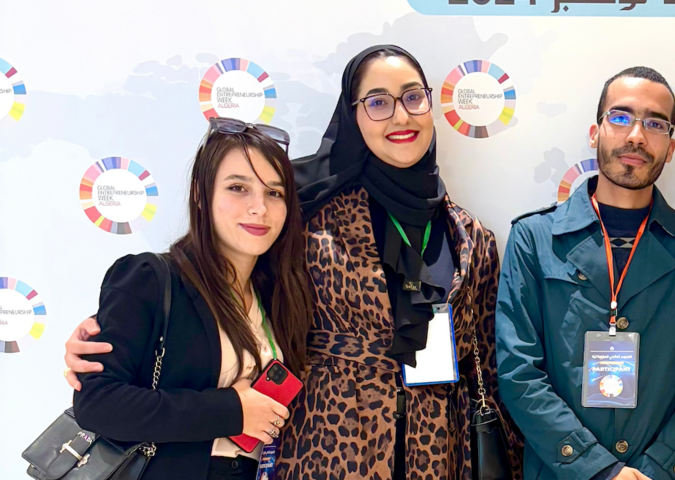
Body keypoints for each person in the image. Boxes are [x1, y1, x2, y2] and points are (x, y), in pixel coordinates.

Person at [63, 45, 524, 479]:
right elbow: (217, 289)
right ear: (352, 114)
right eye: (378, 102)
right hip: (328, 447)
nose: (400, 115)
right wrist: (110, 327)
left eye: (412, 97)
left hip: (436, 450)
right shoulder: (307, 217)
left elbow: (489, 359)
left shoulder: (471, 236)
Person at [496, 66, 675, 480]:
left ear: (671, 148)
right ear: (595, 132)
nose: (637, 136)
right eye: (621, 118)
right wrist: (598, 469)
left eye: (655, 123)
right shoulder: (534, 238)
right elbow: (519, 372)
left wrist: (658, 469)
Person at [72, 119, 313, 479]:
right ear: (201, 194)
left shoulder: (279, 298)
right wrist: (232, 410)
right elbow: (98, 403)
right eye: (238, 188)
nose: (259, 207)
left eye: (274, 193)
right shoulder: (151, 279)